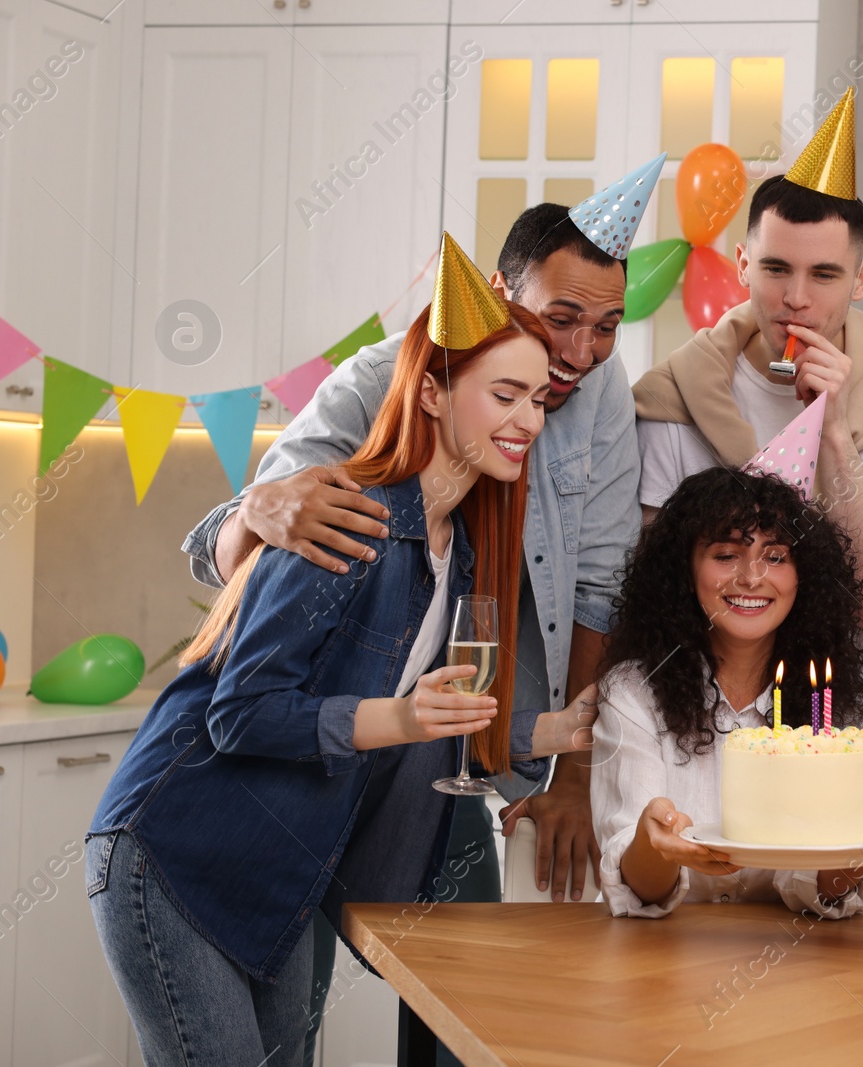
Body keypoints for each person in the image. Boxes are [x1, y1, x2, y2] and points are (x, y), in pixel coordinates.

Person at [89, 260, 598, 1065]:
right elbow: (241, 711)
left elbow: (432, 720)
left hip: (280, 865)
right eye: (505, 396)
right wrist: (403, 718)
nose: (528, 420)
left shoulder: (457, 553)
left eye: (537, 399)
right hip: (177, 850)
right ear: (431, 390)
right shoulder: (344, 518)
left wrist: (555, 729)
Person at [183, 169, 661, 917]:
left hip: (448, 740)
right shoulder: (382, 381)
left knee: (449, 963)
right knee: (281, 949)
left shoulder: (596, 391)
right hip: (313, 737)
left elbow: (602, 585)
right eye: (562, 317)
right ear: (501, 293)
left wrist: (572, 772)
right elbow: (237, 555)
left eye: (606, 326)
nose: (580, 350)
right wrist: (261, 510)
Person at [633, 92, 863, 899]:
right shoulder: (675, 396)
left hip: (849, 808)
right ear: (743, 264)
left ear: (862, 279)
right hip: (693, 791)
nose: (796, 297)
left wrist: (838, 433)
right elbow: (656, 604)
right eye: (777, 268)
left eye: (824, 274)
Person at [592, 465, 863, 918]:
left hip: (794, 964)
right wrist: (655, 841)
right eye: (725, 555)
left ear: (804, 575)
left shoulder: (827, 702)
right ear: (684, 570)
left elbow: (824, 893)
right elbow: (640, 892)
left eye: (775, 556)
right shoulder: (633, 693)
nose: (752, 576)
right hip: (661, 963)